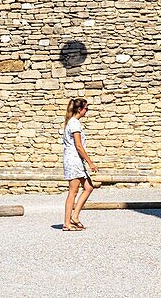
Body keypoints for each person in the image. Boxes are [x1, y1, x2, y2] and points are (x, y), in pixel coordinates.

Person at [62, 97, 98, 231]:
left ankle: (75, 216)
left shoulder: (72, 122)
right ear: (79, 109)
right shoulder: (74, 123)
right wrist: (90, 163)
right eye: (86, 109)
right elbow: (78, 145)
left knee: (88, 187)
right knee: (73, 191)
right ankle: (67, 223)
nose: (86, 111)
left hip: (76, 160)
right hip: (73, 160)